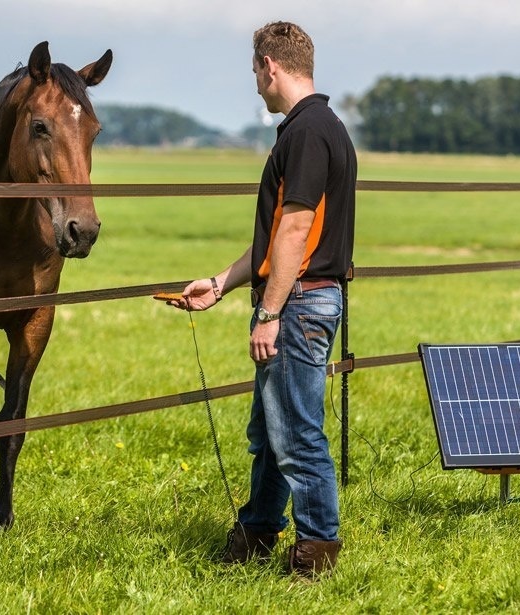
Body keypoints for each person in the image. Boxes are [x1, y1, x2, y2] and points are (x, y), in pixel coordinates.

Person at [164, 20, 356, 578]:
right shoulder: (320, 127)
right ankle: (257, 531)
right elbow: (277, 239)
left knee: (296, 434)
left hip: (298, 304)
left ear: (270, 66)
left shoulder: (307, 132)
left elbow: (295, 233)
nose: (254, 82)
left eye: (254, 71)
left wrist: (269, 314)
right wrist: (221, 283)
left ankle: (316, 553)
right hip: (300, 298)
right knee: (272, 432)